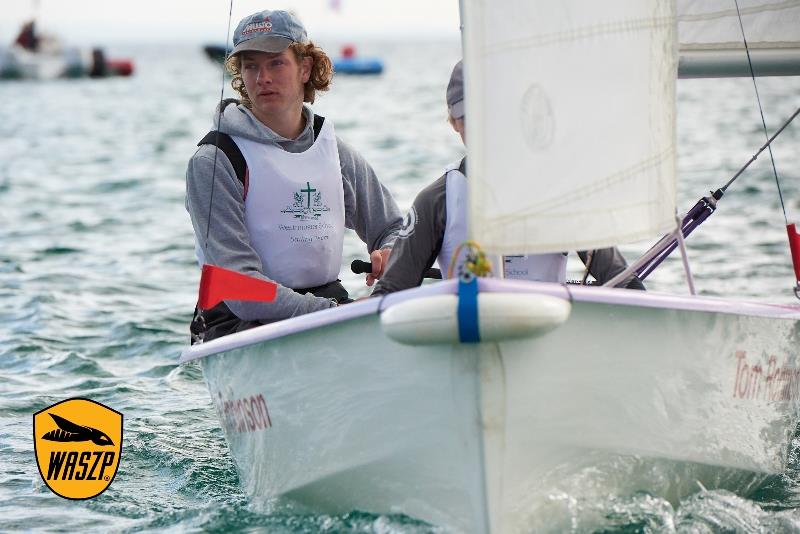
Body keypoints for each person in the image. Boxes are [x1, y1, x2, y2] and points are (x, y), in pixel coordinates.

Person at [186, 9, 402, 342]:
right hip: (237, 325)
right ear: (240, 74)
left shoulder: (335, 153)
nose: (262, 78)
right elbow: (243, 291)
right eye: (251, 66)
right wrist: (333, 314)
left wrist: (390, 252)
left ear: (305, 68)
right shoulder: (214, 161)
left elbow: (392, 228)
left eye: (275, 63)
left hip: (325, 306)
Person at [371, 60, 644, 296]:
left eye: (493, 114)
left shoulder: (561, 192)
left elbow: (623, 282)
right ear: (454, 122)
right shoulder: (436, 201)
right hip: (468, 335)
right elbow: (390, 293)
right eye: (470, 117)